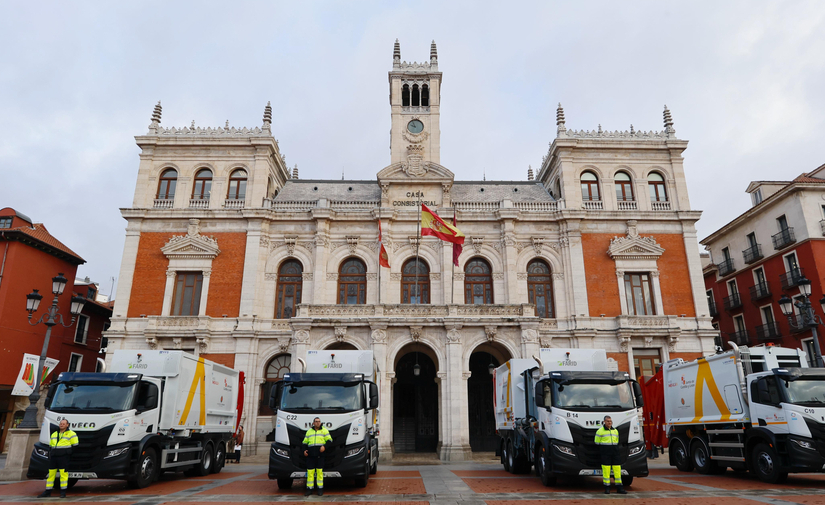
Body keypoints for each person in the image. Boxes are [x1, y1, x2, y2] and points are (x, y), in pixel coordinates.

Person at [39, 419, 79, 498]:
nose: (61, 425)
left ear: (67, 425)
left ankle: (63, 492)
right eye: (61, 423)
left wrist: (68, 453)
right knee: (51, 474)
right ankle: (48, 491)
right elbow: (51, 446)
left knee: (63, 474)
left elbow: (75, 445)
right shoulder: (54, 434)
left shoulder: (71, 434)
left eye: (64, 424)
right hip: (54, 456)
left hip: (64, 457)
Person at [595, 415, 627, 494]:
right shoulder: (600, 431)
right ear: (604, 422)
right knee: (606, 470)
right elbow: (596, 442)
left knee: (617, 470)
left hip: (615, 452)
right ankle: (607, 488)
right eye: (608, 421)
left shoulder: (615, 431)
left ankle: (619, 488)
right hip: (605, 452)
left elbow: (617, 441)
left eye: (610, 421)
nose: (609, 423)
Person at [302, 417, 332, 496]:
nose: (318, 423)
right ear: (313, 423)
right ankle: (309, 489)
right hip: (310, 455)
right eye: (316, 421)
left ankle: (320, 489)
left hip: (320, 455)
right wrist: (304, 450)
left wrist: (324, 447)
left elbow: (330, 440)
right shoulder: (309, 432)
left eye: (319, 421)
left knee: (319, 472)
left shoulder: (324, 430)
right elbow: (304, 442)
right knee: (310, 473)